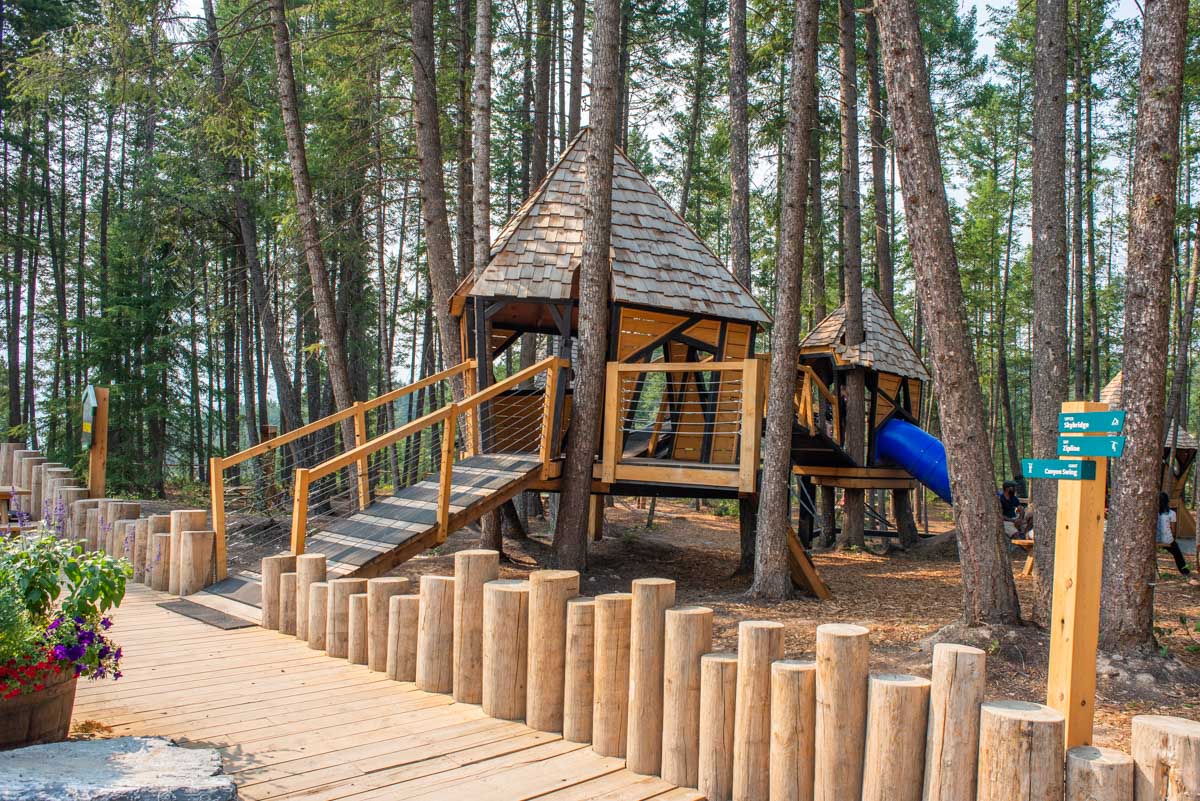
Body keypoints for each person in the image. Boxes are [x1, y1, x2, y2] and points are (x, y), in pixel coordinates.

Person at [1157, 491, 1192, 578]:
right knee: (1178, 554)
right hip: (1167, 539)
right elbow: (1172, 530)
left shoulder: (1154, 513)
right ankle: (1185, 571)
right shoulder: (1172, 513)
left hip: (1155, 538)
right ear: (1167, 501)